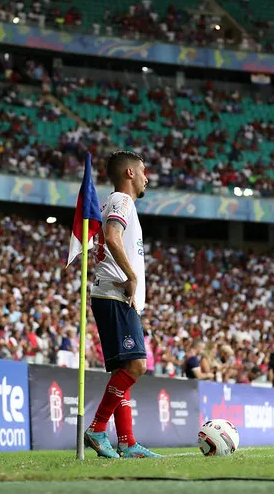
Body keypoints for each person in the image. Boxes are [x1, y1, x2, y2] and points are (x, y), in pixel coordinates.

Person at [84, 151, 161, 459]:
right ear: (130, 173)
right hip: (115, 294)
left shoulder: (119, 203)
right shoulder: (122, 201)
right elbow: (112, 237)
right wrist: (131, 276)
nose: (147, 178)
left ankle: (127, 442)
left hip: (113, 296)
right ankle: (98, 428)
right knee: (136, 366)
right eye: (143, 172)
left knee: (123, 369)